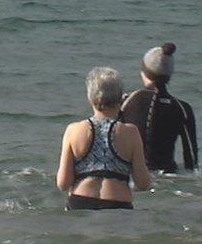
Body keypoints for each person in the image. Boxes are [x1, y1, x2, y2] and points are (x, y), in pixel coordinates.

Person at [57, 67, 151, 210]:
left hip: (80, 202)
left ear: (90, 98)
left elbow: (63, 183)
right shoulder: (130, 132)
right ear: (120, 98)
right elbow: (143, 183)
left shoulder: (73, 130)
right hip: (118, 205)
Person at [121, 42, 198, 173]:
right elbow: (190, 158)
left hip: (133, 175)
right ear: (169, 75)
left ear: (144, 73)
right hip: (168, 174)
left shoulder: (127, 101)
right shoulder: (183, 108)